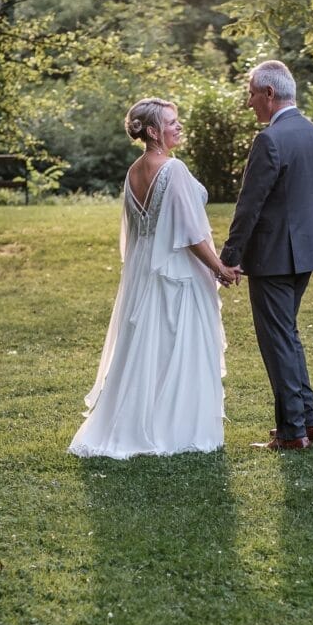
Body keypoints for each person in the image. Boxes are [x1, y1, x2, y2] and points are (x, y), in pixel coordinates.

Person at [68, 97, 237, 460]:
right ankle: (176, 428)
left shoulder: (132, 172)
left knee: (147, 348)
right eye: (172, 122)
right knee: (178, 346)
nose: (178, 127)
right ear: (152, 131)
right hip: (176, 269)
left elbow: (138, 231)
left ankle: (140, 420)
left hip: (144, 268)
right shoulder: (172, 170)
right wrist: (219, 268)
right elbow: (190, 233)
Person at [220, 60, 313, 450]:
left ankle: (292, 433)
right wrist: (304, 241)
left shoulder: (270, 140)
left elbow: (249, 206)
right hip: (305, 254)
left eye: (252, 93)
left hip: (271, 257)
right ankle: (309, 423)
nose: (250, 101)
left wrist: (230, 256)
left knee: (278, 341)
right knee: (289, 336)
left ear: (269, 94)